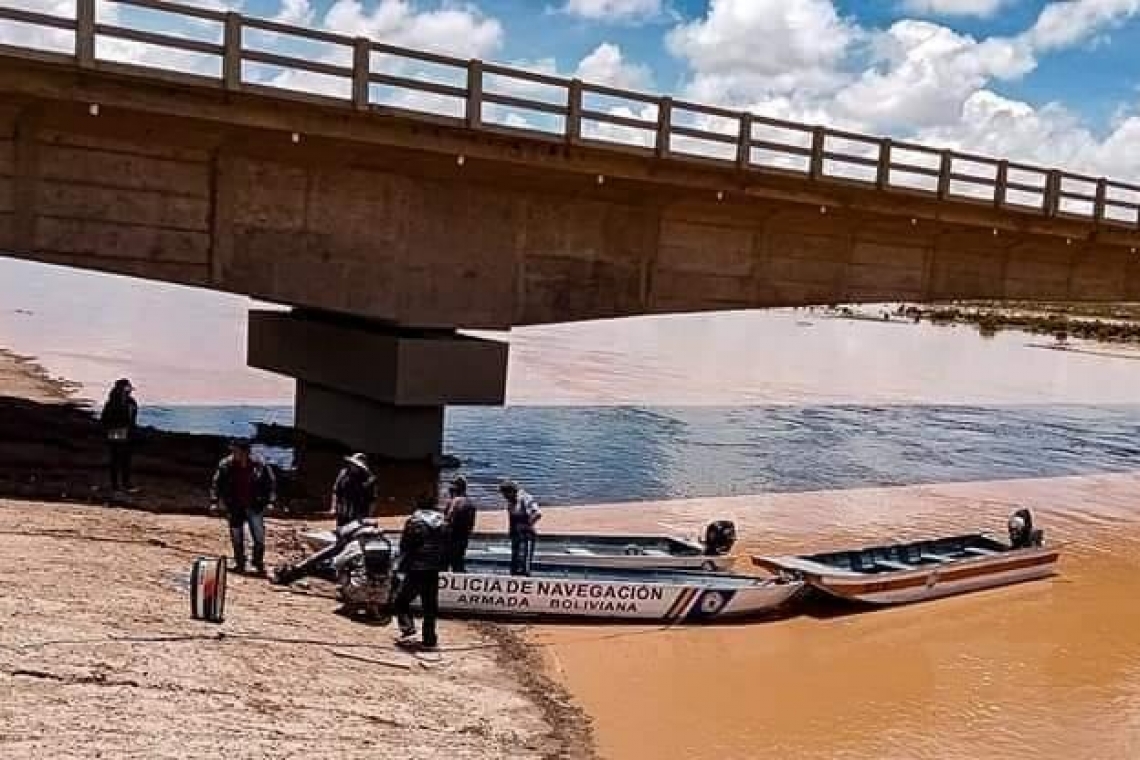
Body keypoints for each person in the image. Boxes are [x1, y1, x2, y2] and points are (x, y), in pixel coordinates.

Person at [210, 439, 277, 575]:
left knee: (259, 536)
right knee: (236, 536)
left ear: (246, 452)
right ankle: (239, 562)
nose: (235, 454)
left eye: (237, 451)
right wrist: (214, 501)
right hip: (234, 505)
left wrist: (270, 502)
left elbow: (270, 484)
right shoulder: (225, 465)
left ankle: (257, 563)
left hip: (255, 505)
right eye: (233, 451)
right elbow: (216, 484)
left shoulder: (260, 465)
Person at [393, 497, 448, 650]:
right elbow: (446, 545)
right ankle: (429, 640)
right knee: (430, 607)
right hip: (433, 568)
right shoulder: (442, 522)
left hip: (416, 568)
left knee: (401, 601)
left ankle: (408, 629)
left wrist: (400, 567)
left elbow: (405, 546)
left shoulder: (414, 521)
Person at [99, 378, 138, 493]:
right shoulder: (114, 402)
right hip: (117, 431)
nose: (129, 389)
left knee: (124, 459)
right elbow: (105, 419)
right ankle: (117, 485)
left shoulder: (130, 402)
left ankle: (124, 484)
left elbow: (132, 418)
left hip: (126, 432)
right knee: (117, 458)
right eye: (127, 387)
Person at [500, 480, 540, 576]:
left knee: (524, 564)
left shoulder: (525, 498)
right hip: (516, 536)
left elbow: (537, 513)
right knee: (515, 563)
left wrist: (526, 525)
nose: (504, 497)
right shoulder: (511, 501)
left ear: (511, 491)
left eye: (505, 495)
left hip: (526, 536)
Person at [331, 453, 377, 528]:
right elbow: (336, 491)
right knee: (341, 531)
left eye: (356, 465)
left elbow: (372, 499)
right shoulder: (344, 473)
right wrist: (333, 507)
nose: (353, 466)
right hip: (343, 512)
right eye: (352, 464)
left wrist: (368, 516)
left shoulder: (369, 479)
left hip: (359, 514)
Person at [443, 476, 476, 573]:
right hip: (463, 536)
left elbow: (448, 519)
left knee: (446, 561)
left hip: (452, 536)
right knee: (458, 561)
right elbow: (471, 524)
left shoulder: (454, 502)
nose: (449, 489)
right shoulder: (470, 503)